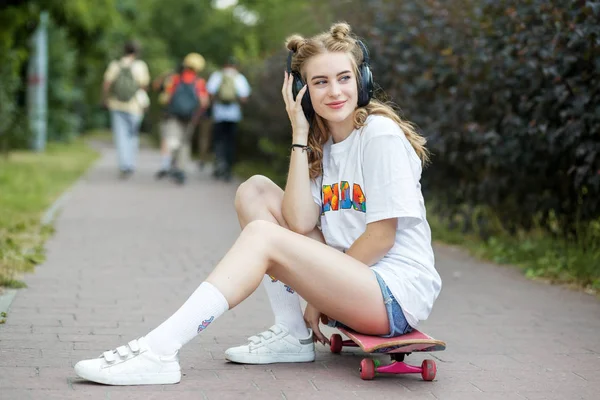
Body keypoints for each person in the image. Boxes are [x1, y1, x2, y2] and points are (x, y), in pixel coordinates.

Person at [74, 22, 442, 386]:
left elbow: (381, 238)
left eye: (344, 78)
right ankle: (292, 335)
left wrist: (318, 300)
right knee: (255, 191)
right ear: (302, 90)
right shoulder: (323, 144)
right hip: (351, 280)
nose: (335, 91)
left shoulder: (379, 136)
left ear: (362, 80)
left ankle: (159, 350)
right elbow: (299, 222)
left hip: (392, 295)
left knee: (263, 237)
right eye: (320, 82)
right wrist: (299, 133)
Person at [155, 53, 210, 184]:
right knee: (185, 143)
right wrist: (197, 114)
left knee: (173, 141)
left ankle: (174, 166)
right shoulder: (200, 82)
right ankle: (181, 169)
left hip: (174, 116)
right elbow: (204, 102)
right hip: (190, 117)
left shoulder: (175, 79)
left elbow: (165, 98)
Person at [103, 40, 150, 179]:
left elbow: (106, 84)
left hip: (116, 105)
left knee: (120, 136)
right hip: (135, 106)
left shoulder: (115, 65)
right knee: (133, 136)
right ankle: (130, 164)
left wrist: (105, 99)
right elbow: (144, 86)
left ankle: (124, 165)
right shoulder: (140, 66)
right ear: (136, 52)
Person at [206, 56, 251, 181]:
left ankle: (218, 165)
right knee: (230, 142)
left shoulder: (217, 75)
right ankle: (228, 169)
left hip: (218, 114)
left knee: (218, 141)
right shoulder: (239, 78)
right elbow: (244, 98)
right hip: (234, 115)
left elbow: (210, 92)